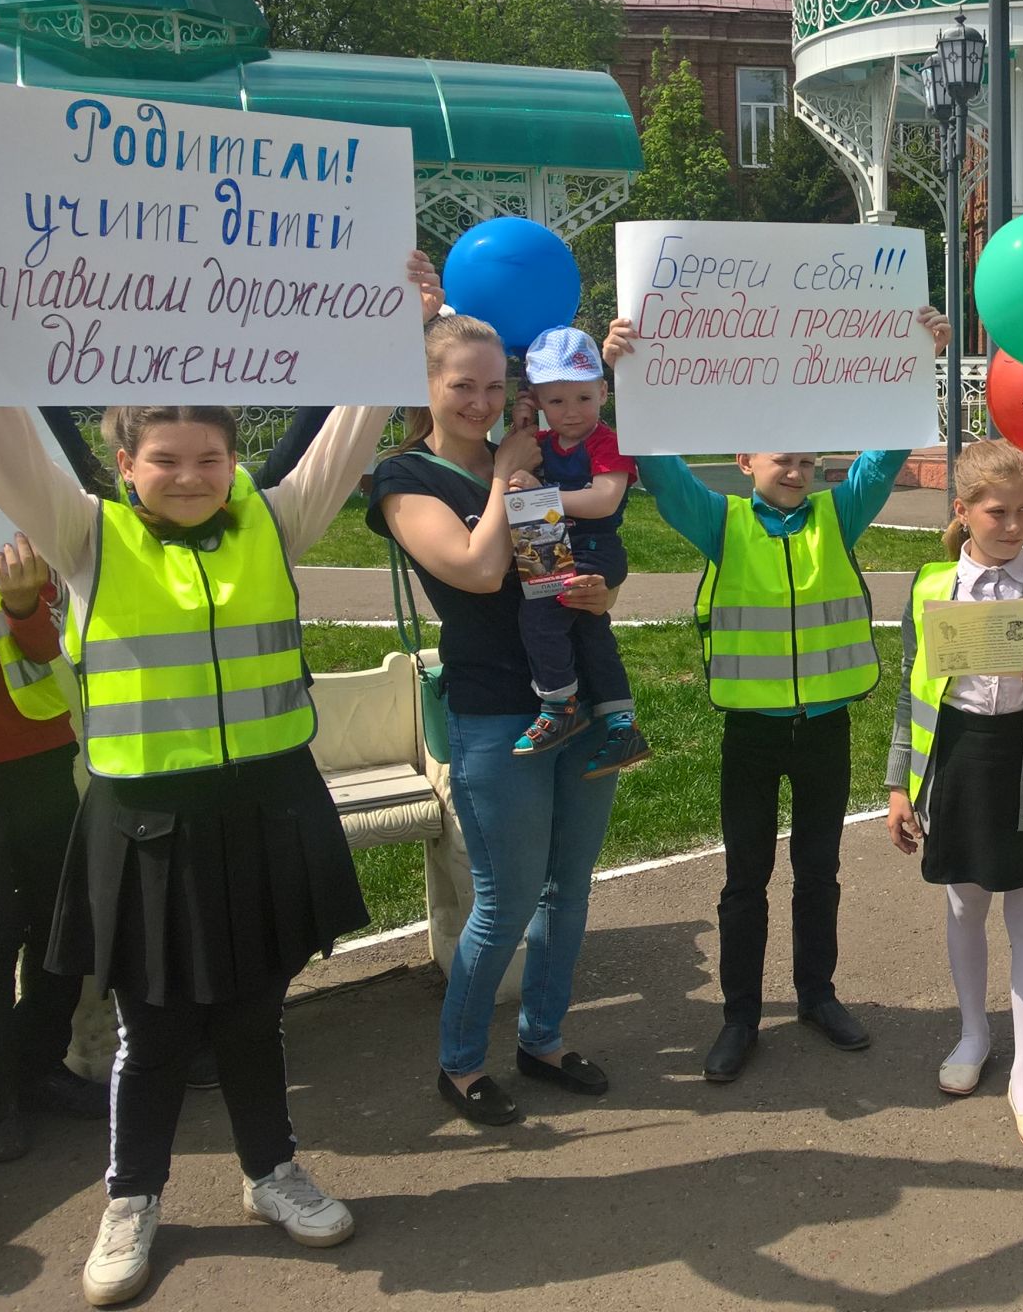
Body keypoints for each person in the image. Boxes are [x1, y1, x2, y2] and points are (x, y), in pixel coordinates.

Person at [0, 251, 438, 1307]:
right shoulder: (84, 538)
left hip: (270, 811)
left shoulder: (277, 525)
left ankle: (269, 1170)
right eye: (166, 459)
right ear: (123, 463)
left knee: (252, 1012)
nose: (190, 475)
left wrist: (400, 322)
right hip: (147, 825)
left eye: (208, 456)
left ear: (233, 457)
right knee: (152, 1029)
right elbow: (7, 434)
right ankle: (132, 1196)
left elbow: (348, 432)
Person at [601, 306, 951, 1083]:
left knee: (819, 872)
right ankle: (739, 1017)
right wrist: (625, 374)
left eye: (806, 462)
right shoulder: (720, 523)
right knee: (745, 881)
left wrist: (920, 357)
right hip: (752, 737)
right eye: (779, 460)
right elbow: (659, 468)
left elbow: (885, 457)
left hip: (825, 731)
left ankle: (817, 995)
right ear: (746, 460)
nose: (794, 471)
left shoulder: (839, 514)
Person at [370, 315, 626, 1129]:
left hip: (576, 696)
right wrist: (504, 473)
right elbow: (480, 572)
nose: (480, 402)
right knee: (506, 899)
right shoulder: (405, 478)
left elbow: (554, 564)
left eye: (492, 386)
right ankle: (460, 1063)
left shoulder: (535, 452)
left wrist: (598, 592)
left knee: (569, 889)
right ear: (429, 389)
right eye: (461, 386)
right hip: (495, 712)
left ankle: (542, 1040)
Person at [885, 442, 1023, 1152]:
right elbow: (912, 695)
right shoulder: (930, 588)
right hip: (957, 760)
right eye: (997, 511)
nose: (1013, 526)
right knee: (963, 903)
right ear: (964, 512)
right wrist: (897, 784)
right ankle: (973, 1034)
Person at [0, 533, 107, 1163]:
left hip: (38, 753)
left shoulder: (15, 507)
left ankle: (36, 1067)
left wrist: (24, 607)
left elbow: (49, 646)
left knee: (62, 922)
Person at [507, 325, 649, 775]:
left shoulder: (606, 442)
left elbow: (603, 499)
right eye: (555, 401)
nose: (570, 413)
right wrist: (524, 421)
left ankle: (558, 703)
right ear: (537, 400)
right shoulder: (542, 443)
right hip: (552, 542)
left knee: (539, 615)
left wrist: (541, 495)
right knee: (590, 634)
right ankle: (621, 722)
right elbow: (518, 459)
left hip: (593, 547)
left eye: (583, 399)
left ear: (603, 392)